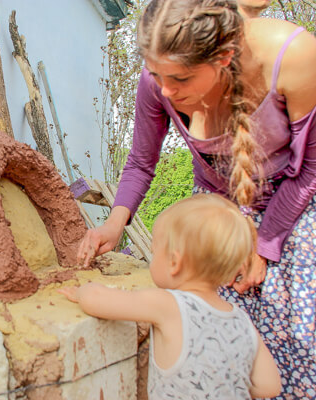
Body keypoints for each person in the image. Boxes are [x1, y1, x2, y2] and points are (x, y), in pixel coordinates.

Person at [77, 0, 316, 398]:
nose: (165, 90)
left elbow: (309, 169)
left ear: (223, 57)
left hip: (290, 212)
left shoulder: (294, 57)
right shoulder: (158, 82)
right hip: (215, 217)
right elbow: (140, 161)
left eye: (181, 79)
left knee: (294, 340)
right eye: (156, 75)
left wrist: (266, 244)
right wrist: (115, 223)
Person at [61, 194, 281, 399]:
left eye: (155, 251)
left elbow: (97, 299)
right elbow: (270, 386)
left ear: (174, 263)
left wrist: (82, 291)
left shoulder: (167, 304)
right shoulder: (242, 320)